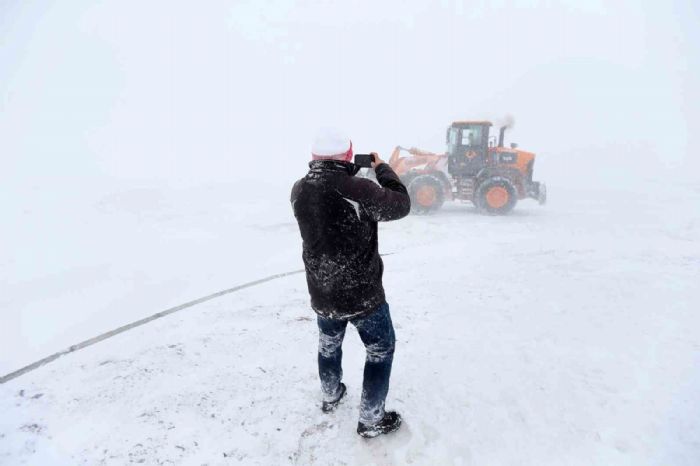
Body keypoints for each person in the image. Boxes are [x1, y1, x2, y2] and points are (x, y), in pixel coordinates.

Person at [290, 127, 411, 438]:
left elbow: (329, 192)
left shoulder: (298, 190)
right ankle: (371, 419)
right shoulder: (358, 190)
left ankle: (331, 395)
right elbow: (400, 203)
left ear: (314, 158)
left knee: (328, 345)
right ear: (347, 155)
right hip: (362, 296)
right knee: (380, 349)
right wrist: (381, 167)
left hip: (322, 292)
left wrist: (351, 172)